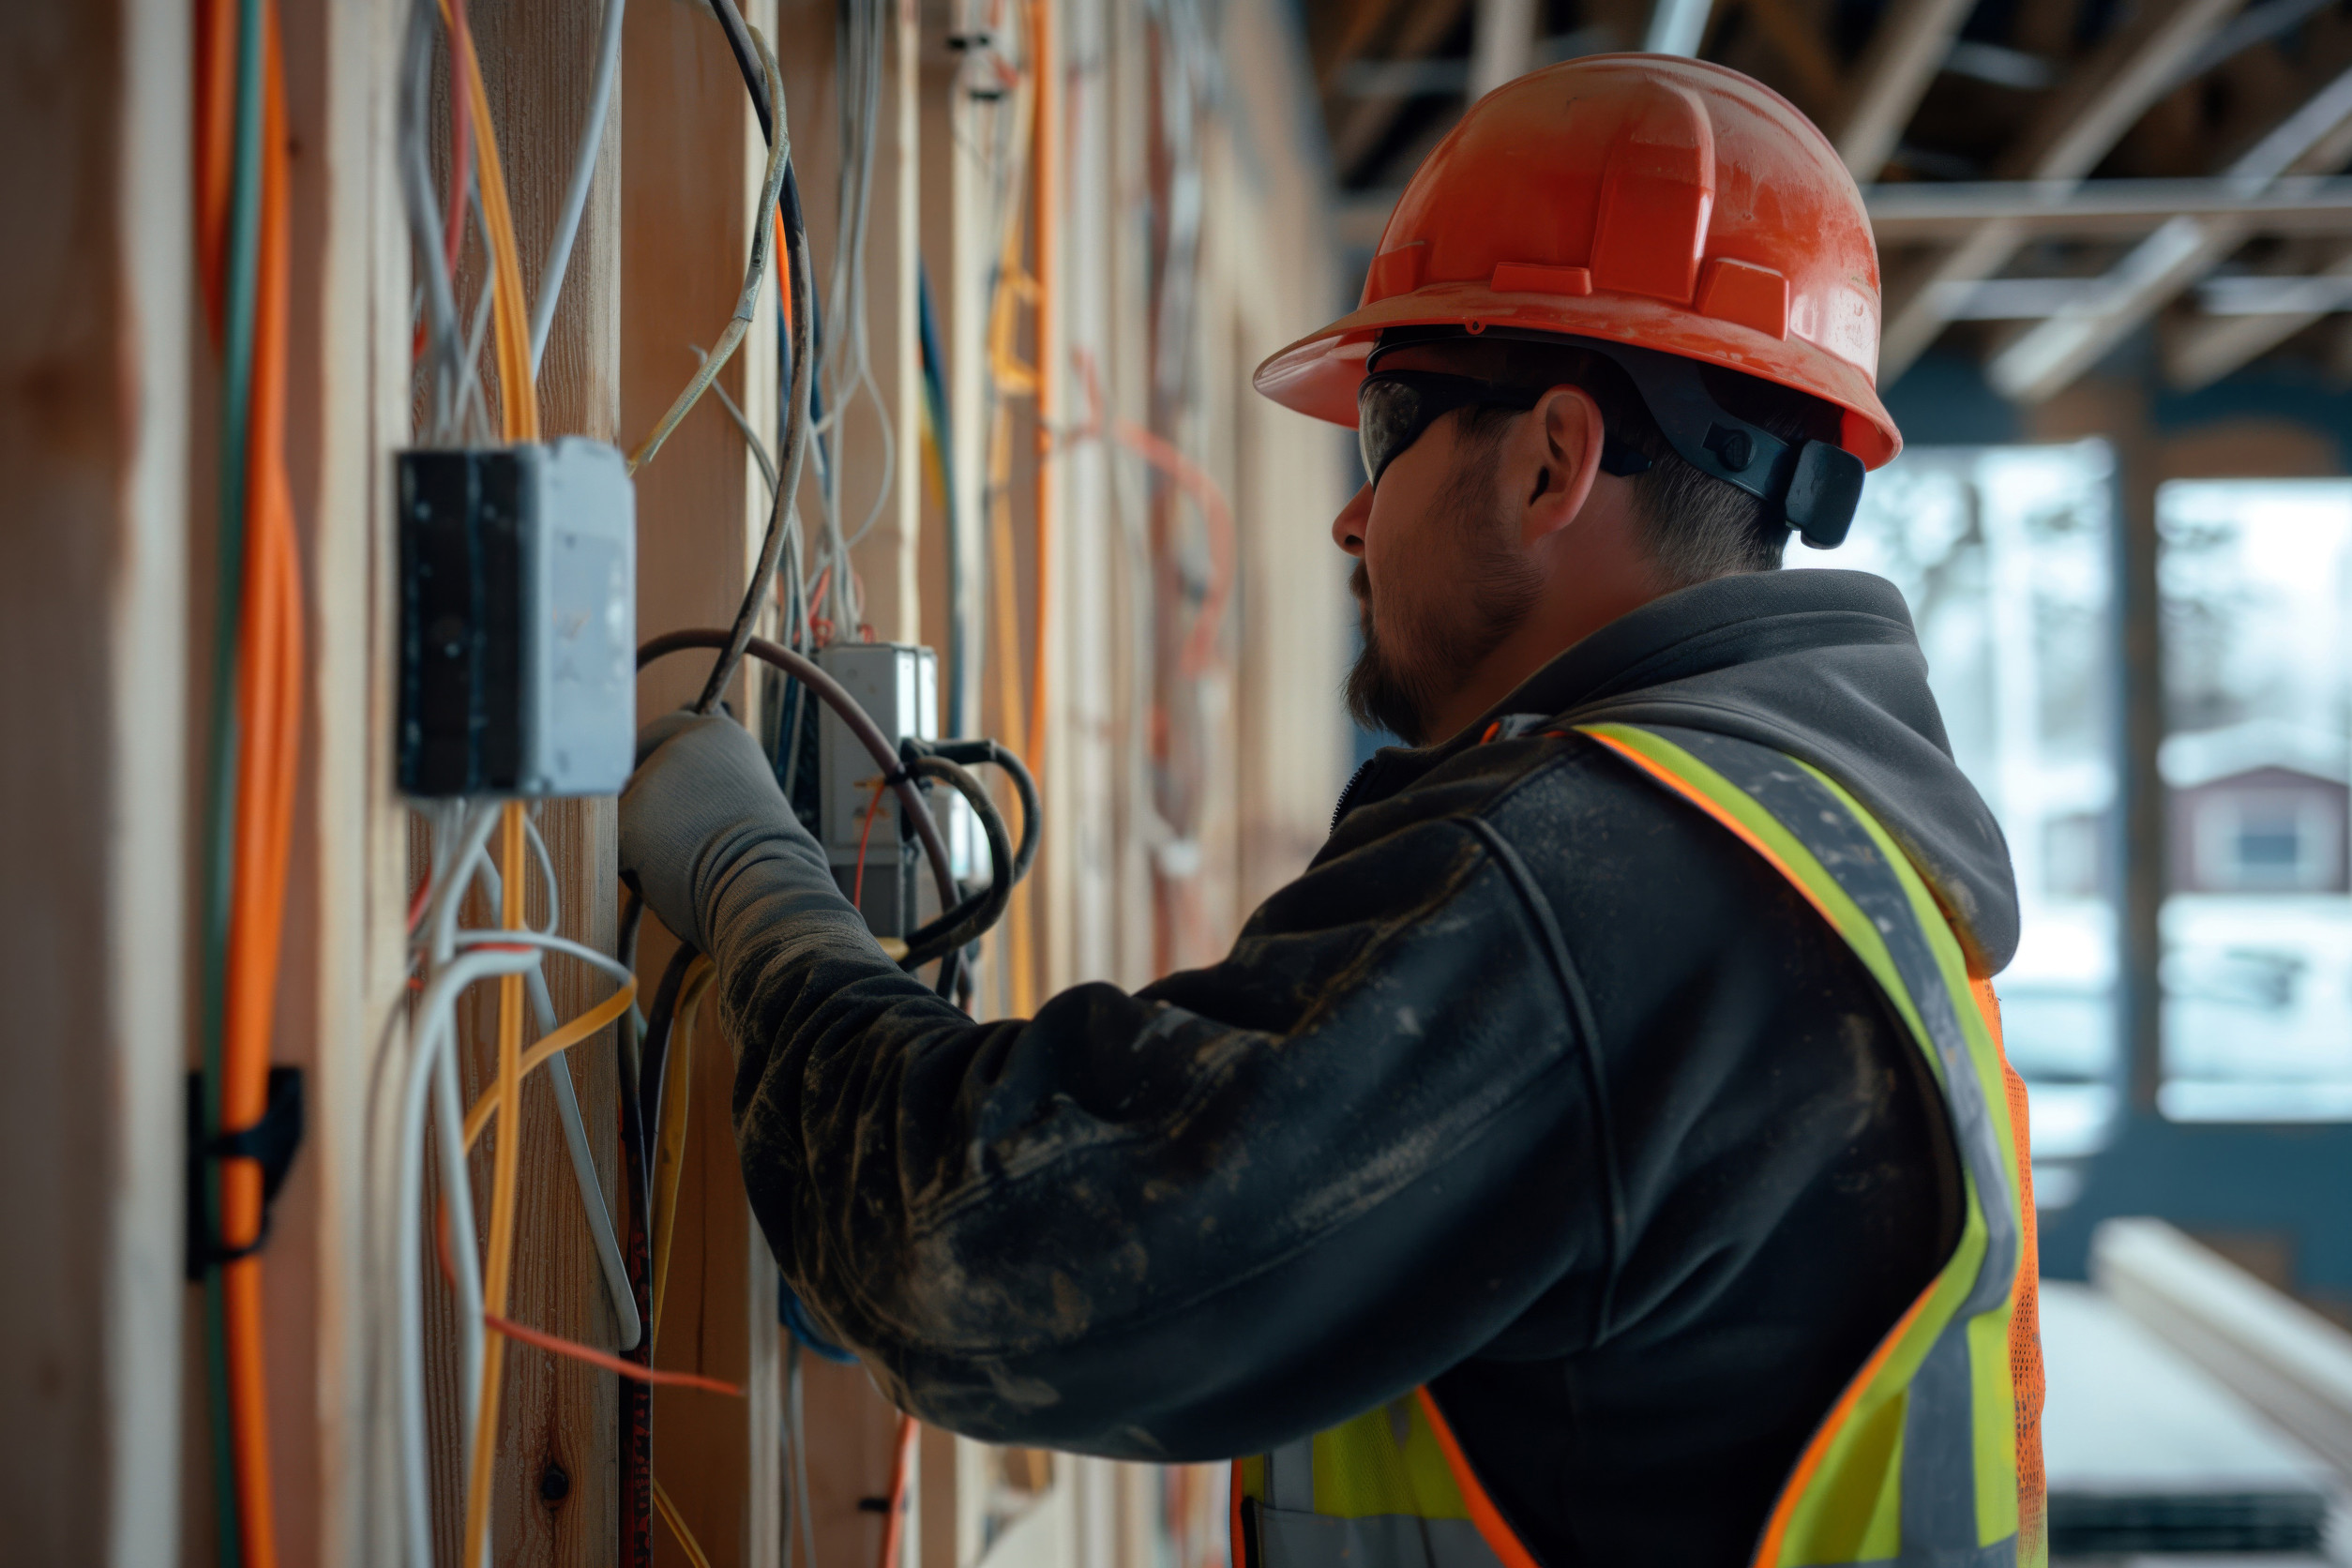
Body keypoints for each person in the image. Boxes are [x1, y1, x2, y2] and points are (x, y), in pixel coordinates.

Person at [622, 53, 2044, 1568]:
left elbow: (973, 1255)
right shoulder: (1841, 861)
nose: (1350, 512)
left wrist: (754, 884)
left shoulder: (1601, 882)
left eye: (1386, 430)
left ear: (1552, 460)